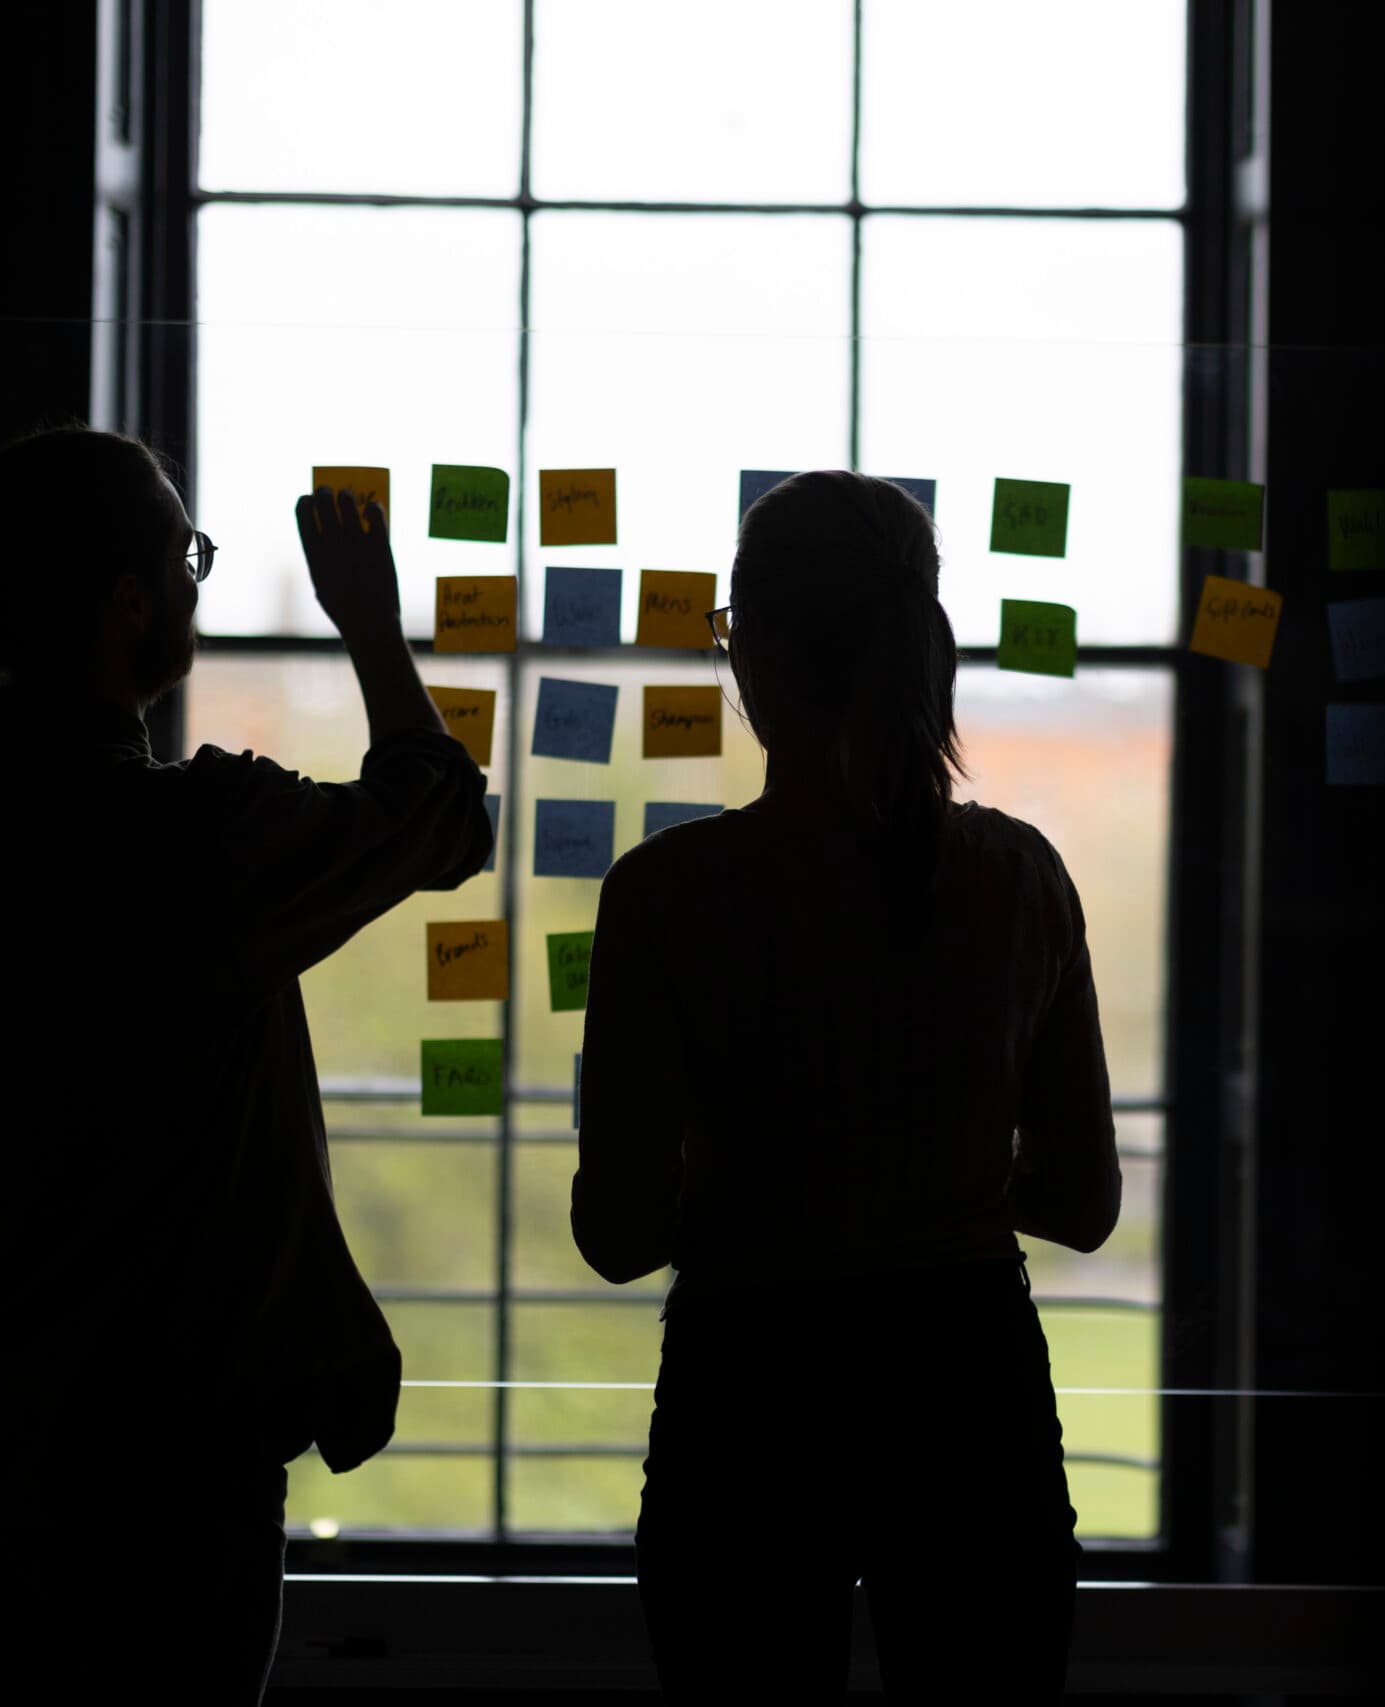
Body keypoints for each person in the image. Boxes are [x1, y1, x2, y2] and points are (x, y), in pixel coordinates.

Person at [0, 426, 491, 1703]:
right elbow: (443, 819)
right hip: (175, 1457)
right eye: (188, 559)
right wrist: (370, 623)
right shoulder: (189, 838)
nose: (198, 585)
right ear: (128, 601)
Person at [572, 470, 1121, 1701]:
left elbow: (616, 1235)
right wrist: (940, 1177)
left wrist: (765, 1185)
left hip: (750, 1392)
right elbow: (1085, 1205)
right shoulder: (1020, 879)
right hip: (968, 1385)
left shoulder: (669, 896)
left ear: (755, 650)